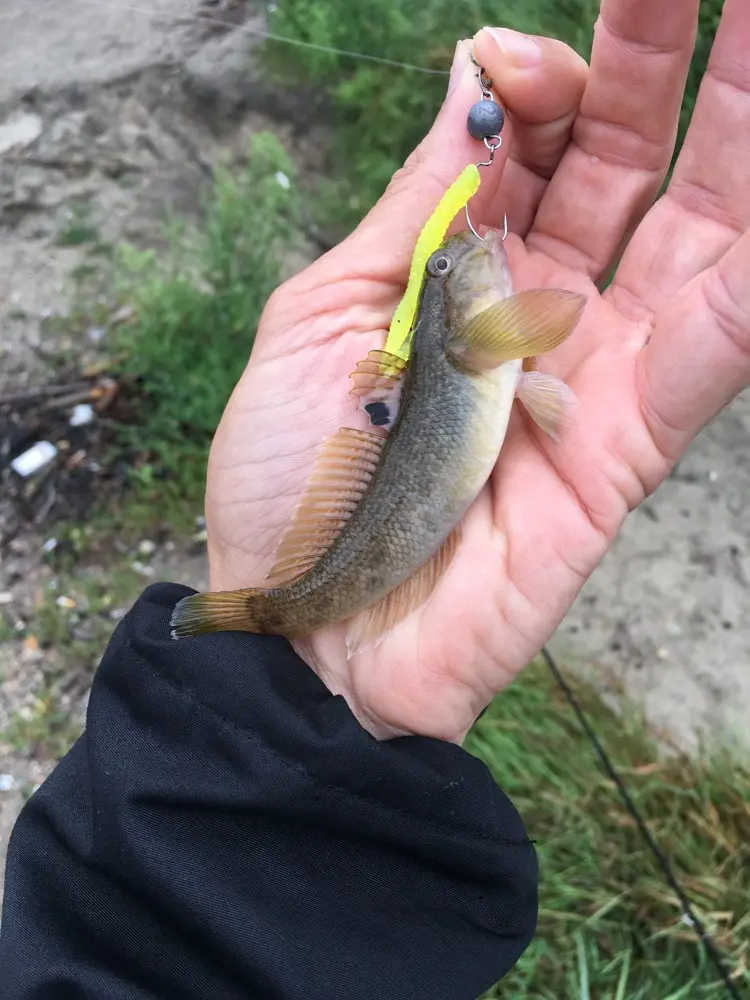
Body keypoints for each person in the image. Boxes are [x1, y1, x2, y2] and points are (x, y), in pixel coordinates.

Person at [2, 1, 749, 996]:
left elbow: (540, 341)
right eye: (451, 267)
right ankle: (266, 610)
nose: (465, 254)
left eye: (450, 264)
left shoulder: (482, 337)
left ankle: (263, 614)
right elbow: (542, 323)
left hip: (363, 566)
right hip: (359, 564)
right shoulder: (480, 332)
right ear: (457, 309)